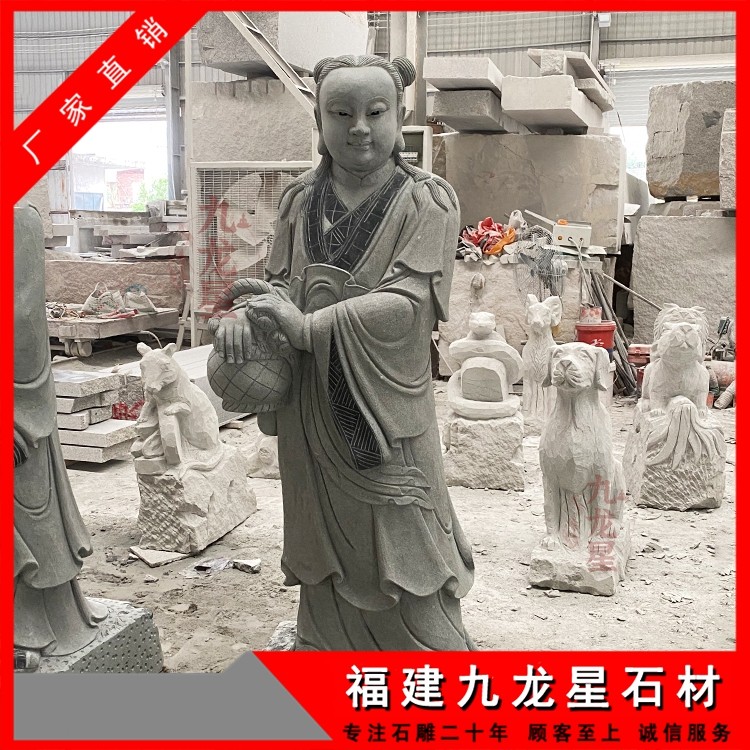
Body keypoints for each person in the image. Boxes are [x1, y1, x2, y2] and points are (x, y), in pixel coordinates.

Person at [214, 55, 475, 650]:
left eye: (375, 112)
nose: (359, 127)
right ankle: (324, 642)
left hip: (380, 405)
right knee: (319, 536)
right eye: (340, 113)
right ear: (318, 120)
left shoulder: (427, 201)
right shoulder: (298, 200)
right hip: (311, 404)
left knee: (402, 528)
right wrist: (247, 316)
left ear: (400, 116)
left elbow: (409, 305)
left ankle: (422, 650)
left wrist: (309, 326)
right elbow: (279, 285)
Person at [14, 205, 107, 669]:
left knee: (28, 510)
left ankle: (31, 622)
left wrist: (18, 413)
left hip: (16, 410)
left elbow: (23, 320)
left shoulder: (17, 220)